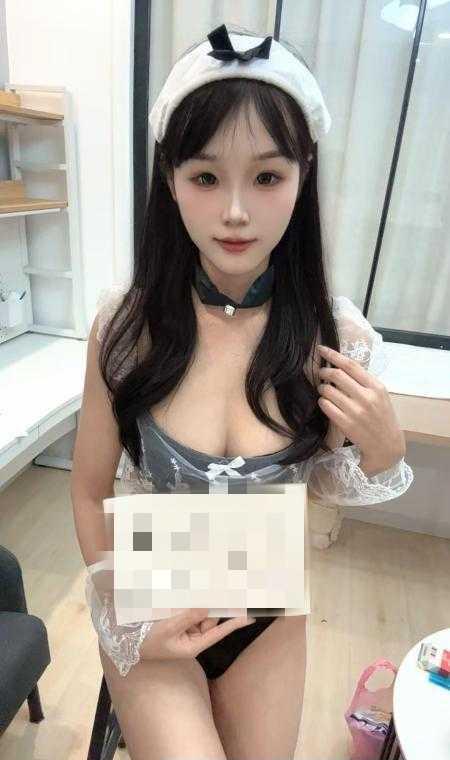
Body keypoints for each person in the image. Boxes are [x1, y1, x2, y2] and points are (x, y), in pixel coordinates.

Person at [71, 23, 414, 760]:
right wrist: (125, 618)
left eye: (266, 177)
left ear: (303, 175)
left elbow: (325, 480)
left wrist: (383, 451)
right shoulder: (126, 328)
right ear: (170, 179)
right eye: (205, 177)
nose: (235, 211)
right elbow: (88, 489)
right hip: (152, 593)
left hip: (266, 604)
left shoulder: (333, 335)